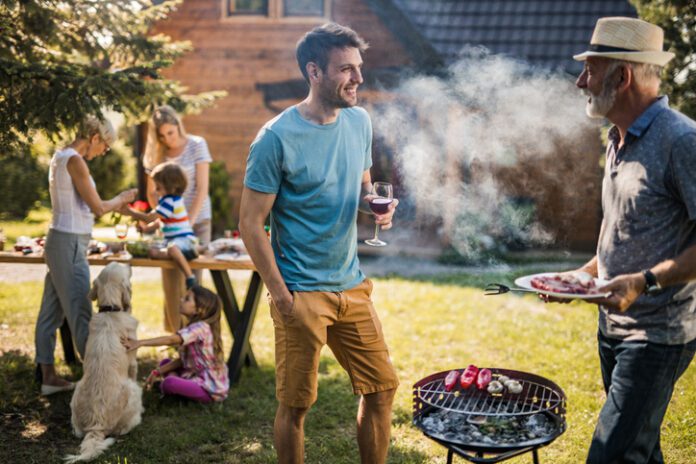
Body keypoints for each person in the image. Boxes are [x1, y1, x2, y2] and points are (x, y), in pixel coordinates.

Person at [239, 23, 399, 464]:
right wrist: (280, 294)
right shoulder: (275, 138)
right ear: (314, 71)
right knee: (296, 407)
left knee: (382, 389)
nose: (358, 79)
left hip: (352, 286)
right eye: (346, 69)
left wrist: (376, 205)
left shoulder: (358, 121)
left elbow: (362, 188)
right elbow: (251, 224)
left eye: (359, 68)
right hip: (301, 293)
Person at [568, 17, 696, 463]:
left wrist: (643, 282)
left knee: (610, 455)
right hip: (613, 327)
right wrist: (581, 275)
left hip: (657, 334)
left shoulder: (682, 141)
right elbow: (622, 225)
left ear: (622, 77)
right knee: (638, 450)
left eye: (591, 71)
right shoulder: (615, 138)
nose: (581, 81)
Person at [35, 116, 137, 395]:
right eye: (104, 145)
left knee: (50, 311)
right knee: (81, 312)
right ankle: (100, 381)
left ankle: (47, 376)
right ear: (94, 137)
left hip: (60, 239)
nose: (104, 151)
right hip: (68, 244)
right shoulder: (75, 160)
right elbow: (99, 208)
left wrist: (129, 209)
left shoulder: (60, 156)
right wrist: (123, 197)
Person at [143, 105, 213, 332]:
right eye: (161, 136)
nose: (168, 139)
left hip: (197, 221)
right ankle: (174, 336)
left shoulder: (197, 145)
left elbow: (202, 188)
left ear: (178, 126)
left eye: (170, 133)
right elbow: (152, 192)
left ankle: (195, 336)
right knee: (171, 283)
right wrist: (165, 216)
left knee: (192, 283)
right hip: (172, 230)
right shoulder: (158, 153)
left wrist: (186, 223)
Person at [122, 285, 229, 403]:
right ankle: (177, 387)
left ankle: (171, 387)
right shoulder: (195, 326)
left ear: (199, 309)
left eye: (187, 298)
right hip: (194, 375)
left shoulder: (200, 328)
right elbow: (183, 361)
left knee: (169, 383)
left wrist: (140, 343)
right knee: (165, 363)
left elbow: (171, 340)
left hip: (208, 389)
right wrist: (157, 371)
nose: (181, 299)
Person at [121, 162, 206, 289]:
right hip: (172, 241)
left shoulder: (170, 201)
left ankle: (190, 277)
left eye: (158, 187)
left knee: (172, 249)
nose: (155, 191)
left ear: (171, 187)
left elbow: (150, 217)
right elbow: (160, 221)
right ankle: (191, 251)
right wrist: (146, 229)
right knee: (153, 252)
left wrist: (129, 212)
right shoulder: (167, 201)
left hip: (183, 240)